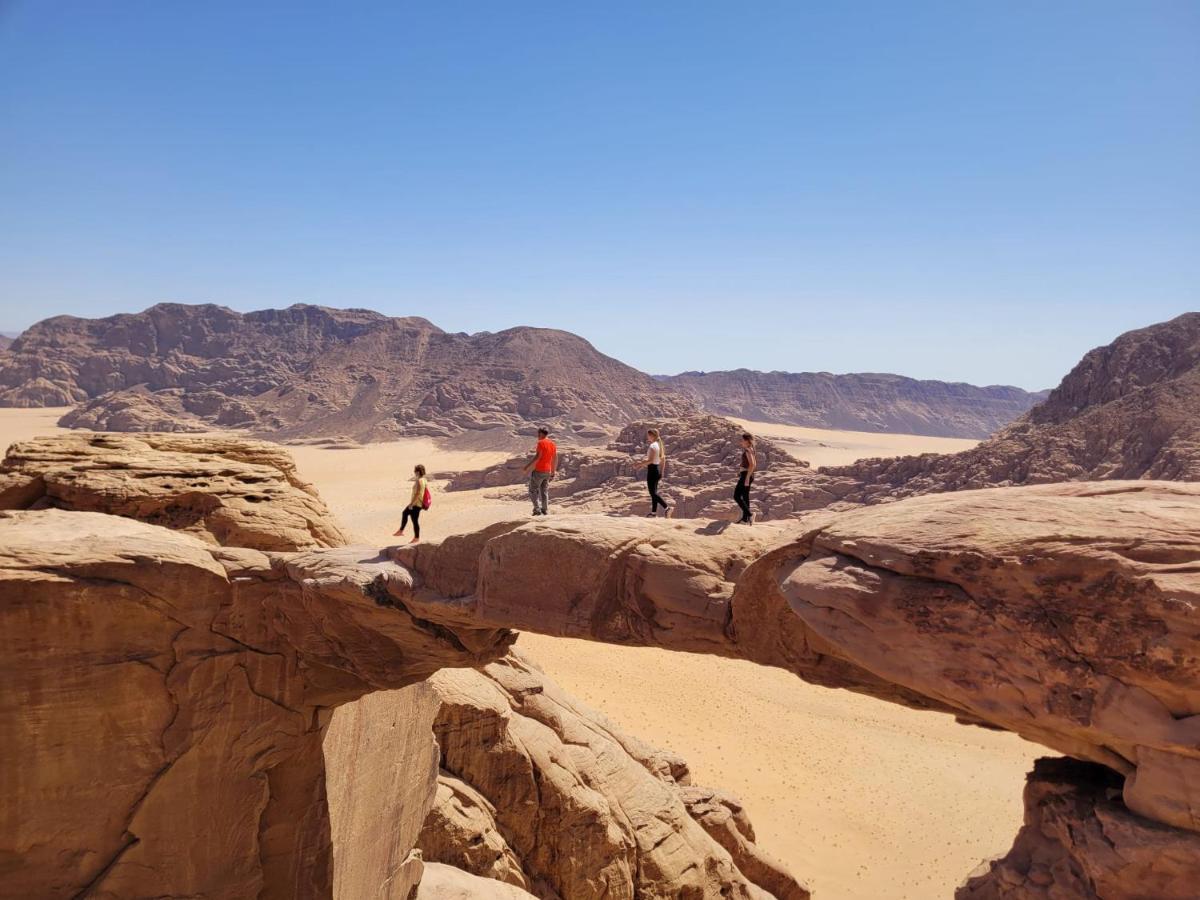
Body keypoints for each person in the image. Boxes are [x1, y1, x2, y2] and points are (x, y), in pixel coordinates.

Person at [522, 427, 557, 516]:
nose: (537, 436)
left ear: (541, 433)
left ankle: (537, 510)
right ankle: (544, 510)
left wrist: (527, 467)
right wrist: (553, 472)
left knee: (532, 490)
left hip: (539, 471)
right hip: (547, 471)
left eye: (538, 434)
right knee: (544, 491)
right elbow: (555, 459)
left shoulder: (541, 443)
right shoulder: (552, 444)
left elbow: (537, 457)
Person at [393, 464, 428, 543]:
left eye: (415, 471)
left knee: (405, 513)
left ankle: (402, 531)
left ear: (418, 472)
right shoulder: (424, 480)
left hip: (416, 504)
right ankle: (416, 538)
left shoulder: (419, 481)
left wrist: (411, 504)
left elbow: (418, 493)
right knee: (414, 520)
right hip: (419, 504)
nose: (414, 472)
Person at [644, 427, 671, 517]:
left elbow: (650, 461)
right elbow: (663, 460)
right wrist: (662, 472)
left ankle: (667, 508)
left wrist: (639, 464)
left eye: (648, 435)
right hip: (656, 470)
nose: (647, 437)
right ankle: (653, 513)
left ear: (652, 436)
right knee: (654, 493)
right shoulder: (659, 445)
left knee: (653, 493)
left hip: (652, 471)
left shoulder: (653, 446)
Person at [734, 433, 756, 524]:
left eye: (742, 440)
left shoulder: (747, 450)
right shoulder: (751, 449)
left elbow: (752, 464)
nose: (741, 442)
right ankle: (745, 519)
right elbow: (752, 464)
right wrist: (740, 471)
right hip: (748, 474)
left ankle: (750, 515)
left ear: (747, 441)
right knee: (745, 497)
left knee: (736, 496)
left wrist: (746, 477)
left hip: (746, 475)